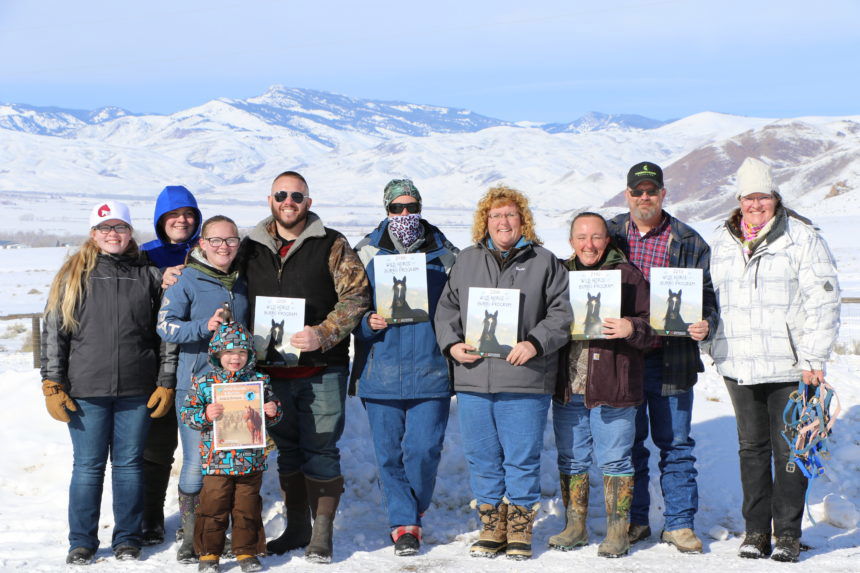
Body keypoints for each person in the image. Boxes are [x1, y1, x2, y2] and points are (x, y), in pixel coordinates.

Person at [704, 158, 840, 563]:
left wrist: (814, 357)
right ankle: (756, 532)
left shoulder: (801, 236)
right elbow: (711, 298)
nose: (756, 204)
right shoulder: (723, 240)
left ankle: (788, 535)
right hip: (739, 362)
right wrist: (710, 344)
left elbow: (824, 298)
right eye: (749, 197)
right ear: (739, 200)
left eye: (763, 197)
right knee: (751, 449)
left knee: (790, 450)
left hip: (790, 365)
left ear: (775, 198)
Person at [237, 171, 370, 563]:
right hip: (271, 372)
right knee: (289, 452)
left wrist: (324, 333)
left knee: (322, 449)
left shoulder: (332, 243)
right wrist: (181, 271)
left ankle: (322, 533)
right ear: (270, 200)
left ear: (308, 202)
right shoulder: (250, 247)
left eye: (297, 195)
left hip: (321, 368)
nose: (289, 201)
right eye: (282, 195)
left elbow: (357, 295)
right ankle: (297, 527)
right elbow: (218, 268)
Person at [435, 185, 572, 560]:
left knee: (521, 456)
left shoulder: (545, 261)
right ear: (485, 221)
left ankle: (520, 526)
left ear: (522, 219)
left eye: (510, 214)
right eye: (495, 216)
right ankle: (491, 523)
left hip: (525, 377)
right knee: (482, 455)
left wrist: (535, 342)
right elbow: (446, 310)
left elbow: (562, 314)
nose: (503, 221)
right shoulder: (466, 260)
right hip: (474, 376)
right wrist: (452, 344)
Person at [41, 200, 170, 565]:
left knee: (129, 466)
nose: (112, 234)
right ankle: (81, 541)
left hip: (137, 387)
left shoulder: (149, 275)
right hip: (86, 390)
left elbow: (165, 335)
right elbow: (55, 333)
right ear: (93, 234)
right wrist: (52, 382)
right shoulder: (73, 275)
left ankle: (127, 538)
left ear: (131, 233)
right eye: (104, 228)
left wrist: (165, 380)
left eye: (120, 227)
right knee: (87, 466)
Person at [606, 161, 718, 553]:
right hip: (625, 357)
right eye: (638, 191)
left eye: (652, 191)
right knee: (628, 443)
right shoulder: (610, 234)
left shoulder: (690, 241)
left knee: (675, 444)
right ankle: (636, 521)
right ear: (628, 194)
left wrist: (706, 323)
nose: (644, 197)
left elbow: (707, 300)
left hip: (672, 358)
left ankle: (679, 523)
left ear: (663, 194)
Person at [351, 179, 458, 556]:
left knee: (425, 449)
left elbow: (462, 307)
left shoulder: (446, 254)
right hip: (381, 368)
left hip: (431, 368)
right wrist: (367, 323)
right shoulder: (365, 253)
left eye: (411, 207)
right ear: (386, 210)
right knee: (388, 453)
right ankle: (404, 524)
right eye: (396, 208)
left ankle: (412, 508)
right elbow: (348, 305)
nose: (405, 215)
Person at [550, 212, 654, 558]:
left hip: (613, 387)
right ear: (571, 242)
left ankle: (617, 532)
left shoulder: (627, 276)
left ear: (606, 239)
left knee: (616, 459)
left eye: (595, 237)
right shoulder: (560, 274)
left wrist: (631, 328)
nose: (588, 245)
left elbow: (656, 329)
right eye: (581, 238)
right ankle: (575, 526)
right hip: (569, 385)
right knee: (572, 458)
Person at [157, 215, 250, 563]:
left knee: (225, 465)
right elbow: (165, 326)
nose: (223, 247)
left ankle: (217, 531)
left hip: (235, 387)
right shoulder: (187, 279)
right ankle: (189, 533)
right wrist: (202, 326)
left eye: (230, 240)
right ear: (201, 244)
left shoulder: (241, 281)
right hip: (196, 385)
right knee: (196, 462)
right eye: (216, 241)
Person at [180, 321, 282, 573]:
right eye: (228, 353)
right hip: (217, 461)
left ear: (249, 355)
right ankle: (208, 554)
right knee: (213, 506)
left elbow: (275, 412)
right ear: (217, 354)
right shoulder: (204, 382)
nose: (235, 358)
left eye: (241, 353)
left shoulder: (259, 380)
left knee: (246, 508)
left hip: (250, 460)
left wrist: (272, 411)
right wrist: (205, 413)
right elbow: (187, 413)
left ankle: (246, 552)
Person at [139, 184, 202, 546]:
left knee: (200, 444)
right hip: (157, 360)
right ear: (160, 220)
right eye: (173, 215)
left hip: (198, 359)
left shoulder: (208, 250)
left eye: (188, 214)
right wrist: (155, 282)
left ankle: (198, 517)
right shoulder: (146, 255)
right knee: (157, 445)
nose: (182, 220)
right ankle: (151, 517)